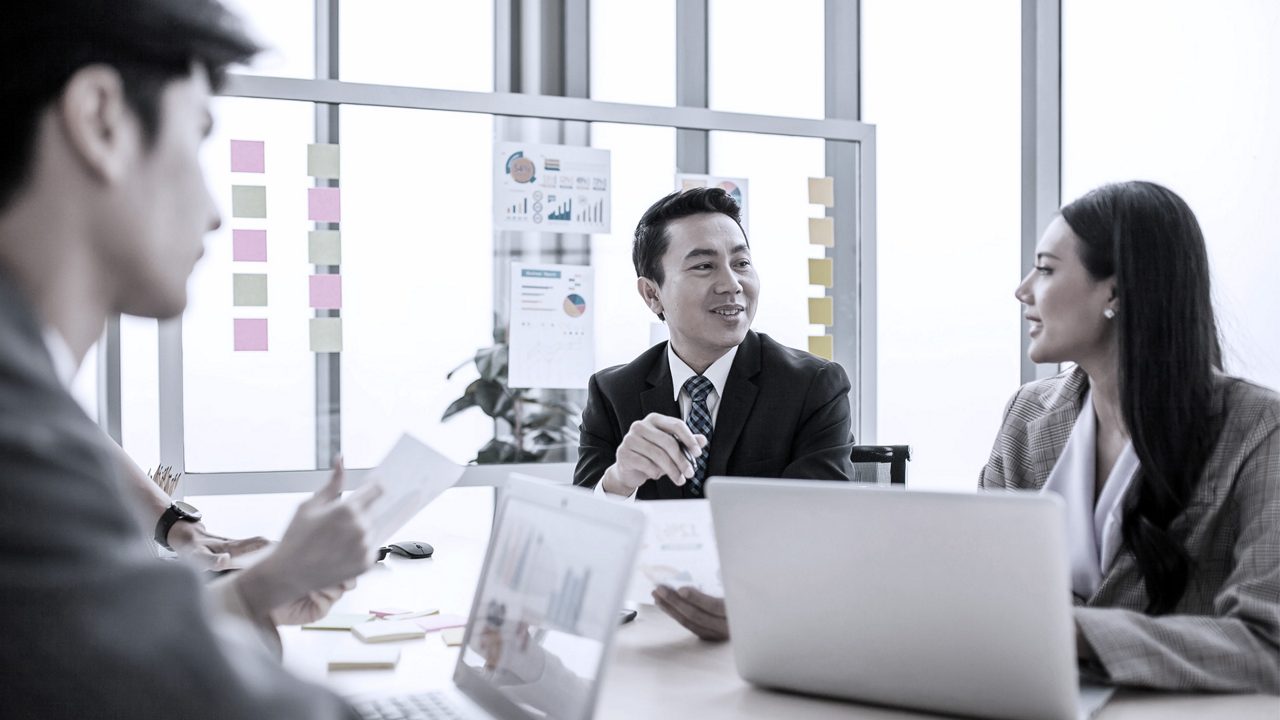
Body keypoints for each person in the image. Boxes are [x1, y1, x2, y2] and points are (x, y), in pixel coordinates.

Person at [0, 1, 382, 717]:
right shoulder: (19, 442)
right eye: (197, 134)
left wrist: (256, 590)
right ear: (101, 118)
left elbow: (92, 655)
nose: (215, 210)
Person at [980, 181, 1280, 693]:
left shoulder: (1257, 430)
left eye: (1047, 268)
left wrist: (1079, 635)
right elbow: (984, 589)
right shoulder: (1026, 417)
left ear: (1115, 292)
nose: (1023, 289)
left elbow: (1267, 646)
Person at [575, 188, 855, 640]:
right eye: (704, 265)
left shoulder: (811, 386)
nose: (732, 283)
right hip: (648, 632)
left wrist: (750, 602)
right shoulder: (614, 392)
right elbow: (581, 541)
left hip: (769, 626)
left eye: (741, 263)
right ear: (652, 294)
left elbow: (821, 529)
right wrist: (618, 482)